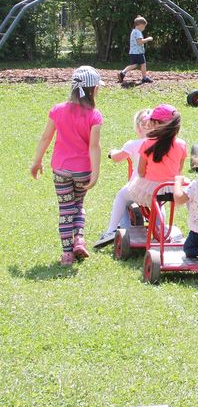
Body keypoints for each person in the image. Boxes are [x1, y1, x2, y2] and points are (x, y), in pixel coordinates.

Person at [29, 66, 103, 265]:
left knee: (65, 208)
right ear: (94, 89)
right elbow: (94, 147)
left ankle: (67, 254)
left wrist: (37, 161)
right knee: (78, 205)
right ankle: (79, 238)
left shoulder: (57, 110)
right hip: (83, 170)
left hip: (61, 169)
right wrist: (95, 173)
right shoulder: (94, 115)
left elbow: (46, 137)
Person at [93, 109, 153, 248]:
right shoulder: (163, 144)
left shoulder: (133, 144)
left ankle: (111, 229)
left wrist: (112, 152)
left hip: (140, 186)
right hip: (160, 186)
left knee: (122, 196)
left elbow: (118, 157)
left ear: (138, 128)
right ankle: (160, 228)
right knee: (158, 202)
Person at [125, 104, 186, 212]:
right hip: (172, 187)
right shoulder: (181, 144)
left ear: (156, 123)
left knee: (128, 195)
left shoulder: (148, 143)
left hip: (151, 187)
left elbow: (141, 172)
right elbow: (179, 170)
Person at [118, 16, 153, 84]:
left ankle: (122, 73)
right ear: (140, 25)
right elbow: (140, 42)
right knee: (143, 64)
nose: (144, 28)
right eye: (144, 27)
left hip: (133, 52)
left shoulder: (133, 31)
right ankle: (144, 77)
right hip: (138, 52)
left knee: (134, 65)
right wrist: (148, 39)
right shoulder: (138, 32)